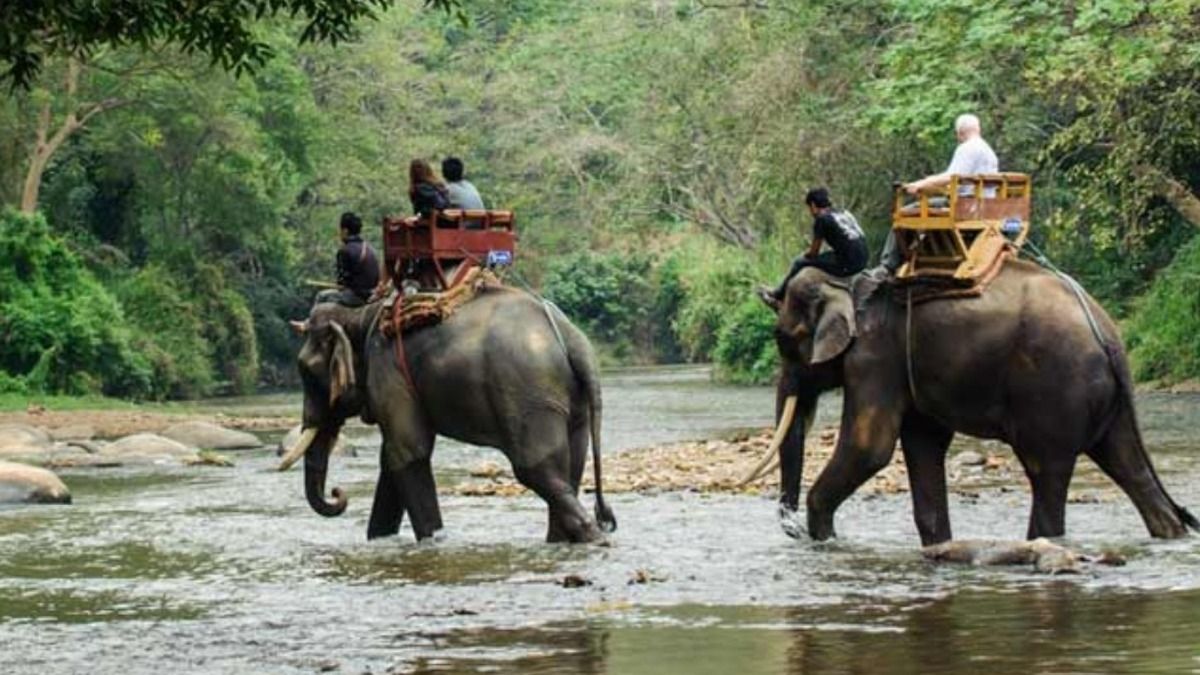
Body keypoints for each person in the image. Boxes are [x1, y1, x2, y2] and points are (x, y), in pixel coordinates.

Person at [882, 114, 1000, 271]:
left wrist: (919, 185)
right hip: (986, 205)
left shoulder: (967, 148)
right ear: (978, 129)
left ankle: (889, 264)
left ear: (959, 133)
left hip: (965, 206)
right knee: (929, 205)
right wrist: (932, 180)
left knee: (906, 212)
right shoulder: (988, 150)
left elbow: (951, 178)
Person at [762, 187, 868, 302]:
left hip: (847, 263)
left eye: (809, 208)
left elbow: (814, 252)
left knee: (799, 262)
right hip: (863, 258)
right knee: (828, 256)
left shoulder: (822, 219)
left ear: (813, 205)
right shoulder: (844, 212)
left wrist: (806, 254)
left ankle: (778, 294)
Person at [317, 212, 380, 307]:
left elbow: (342, 282)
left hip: (357, 297)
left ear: (345, 231)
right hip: (372, 294)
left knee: (322, 296)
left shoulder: (344, 251)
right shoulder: (369, 247)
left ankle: (310, 321)